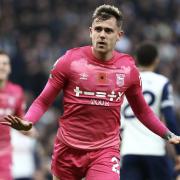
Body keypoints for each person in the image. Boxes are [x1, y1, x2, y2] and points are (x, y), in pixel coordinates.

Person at [1, 4, 180, 180]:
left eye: (108, 31)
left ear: (119, 35)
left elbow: (142, 110)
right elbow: (43, 100)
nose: (102, 35)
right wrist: (28, 121)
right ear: (90, 32)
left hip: (105, 151)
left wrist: (167, 133)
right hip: (67, 149)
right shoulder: (69, 61)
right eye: (98, 29)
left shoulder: (128, 69)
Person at [120, 42, 180, 180]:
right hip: (154, 151)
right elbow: (169, 119)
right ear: (156, 60)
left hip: (129, 151)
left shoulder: (125, 82)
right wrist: (178, 152)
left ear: (136, 59)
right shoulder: (162, 82)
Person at [0, 50, 26, 180]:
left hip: (4, 155)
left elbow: (22, 123)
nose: (1, 67)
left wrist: (29, 130)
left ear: (9, 68)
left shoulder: (16, 92)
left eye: (4, 63)